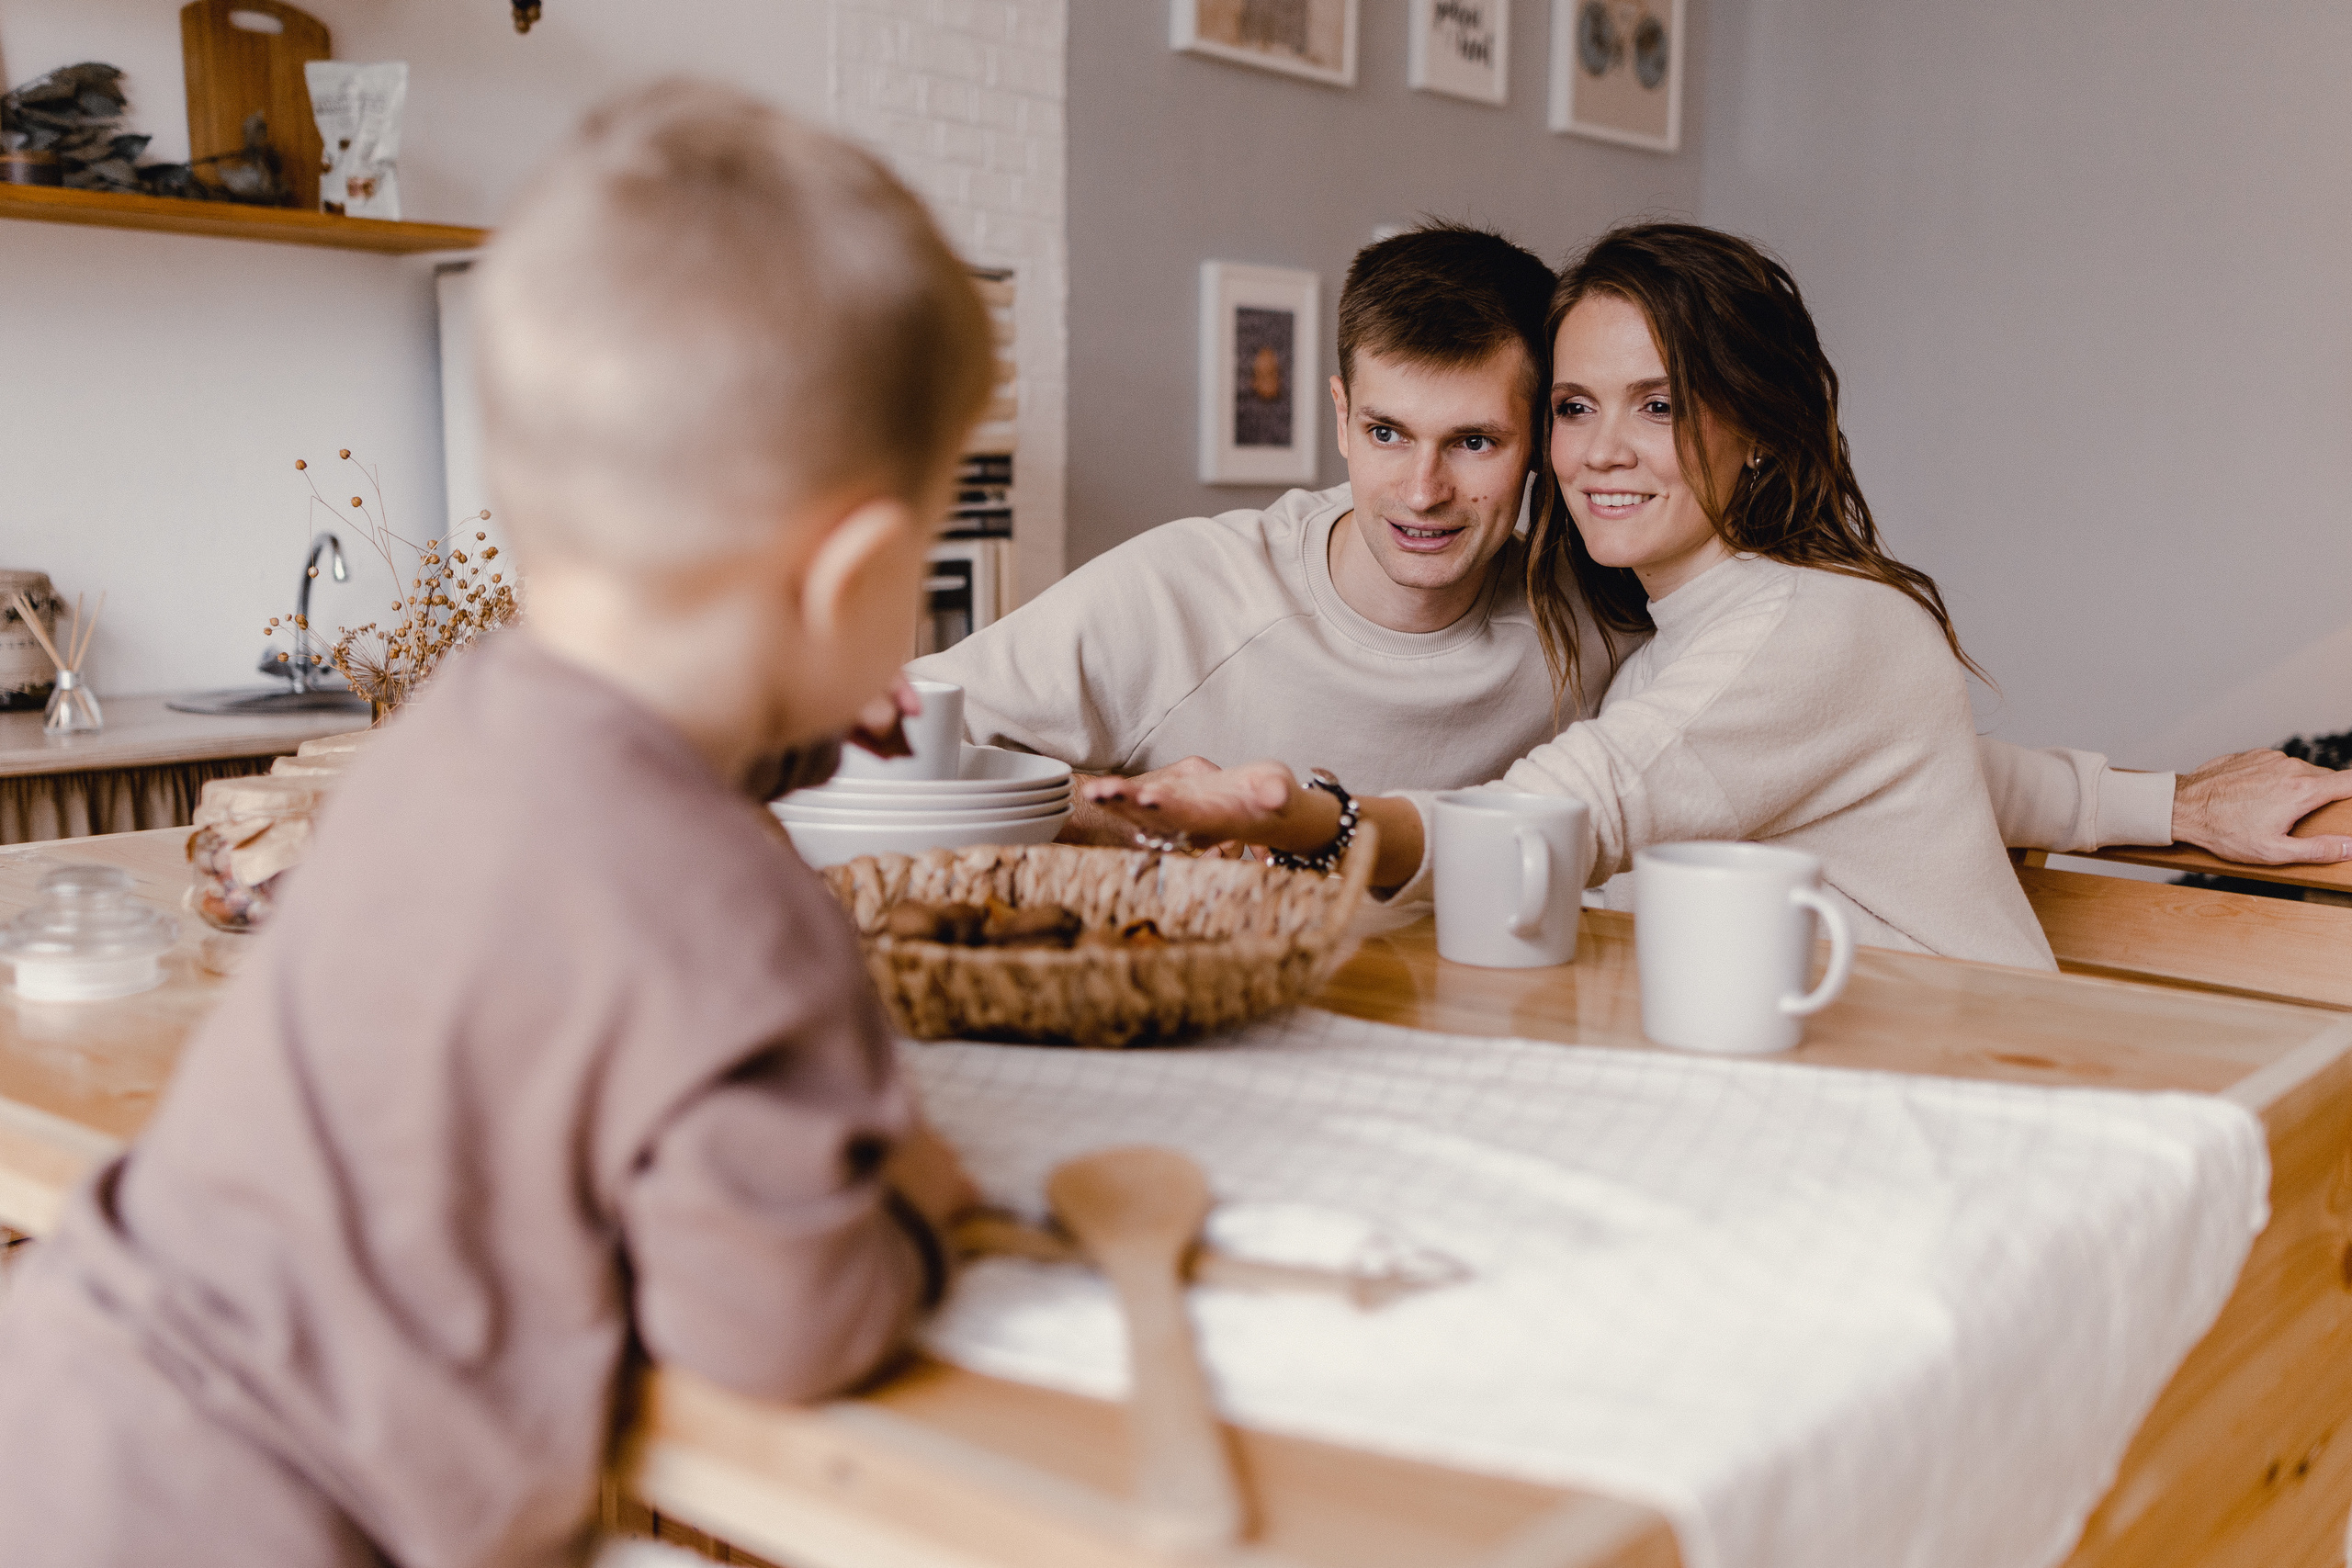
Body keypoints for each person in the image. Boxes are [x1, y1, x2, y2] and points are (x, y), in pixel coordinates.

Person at [0, 83, 989, 1567]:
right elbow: (774, 1327)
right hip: (282, 1520)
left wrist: (770, 738)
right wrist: (915, 1208)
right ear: (852, 580)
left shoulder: (438, 734)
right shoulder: (738, 917)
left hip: (73, 1402)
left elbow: (584, 853)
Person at [912, 223, 2352, 869]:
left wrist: (2165, 802)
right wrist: (1072, 814)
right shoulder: (1186, 590)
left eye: (1479, 440)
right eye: (1388, 435)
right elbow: (898, 742)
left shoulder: (1595, 620)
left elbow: (1754, 759)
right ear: (1336, 418)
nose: (1423, 490)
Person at [1081, 225, 2162, 963]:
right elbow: (1891, 766)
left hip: (1954, 1089)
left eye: (1657, 406)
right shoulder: (1665, 632)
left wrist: (1316, 822)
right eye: (1573, 406)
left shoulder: (1816, 622)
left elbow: (1585, 805)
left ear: (1755, 428)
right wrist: (2166, 803)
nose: (1602, 453)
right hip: (1810, 1070)